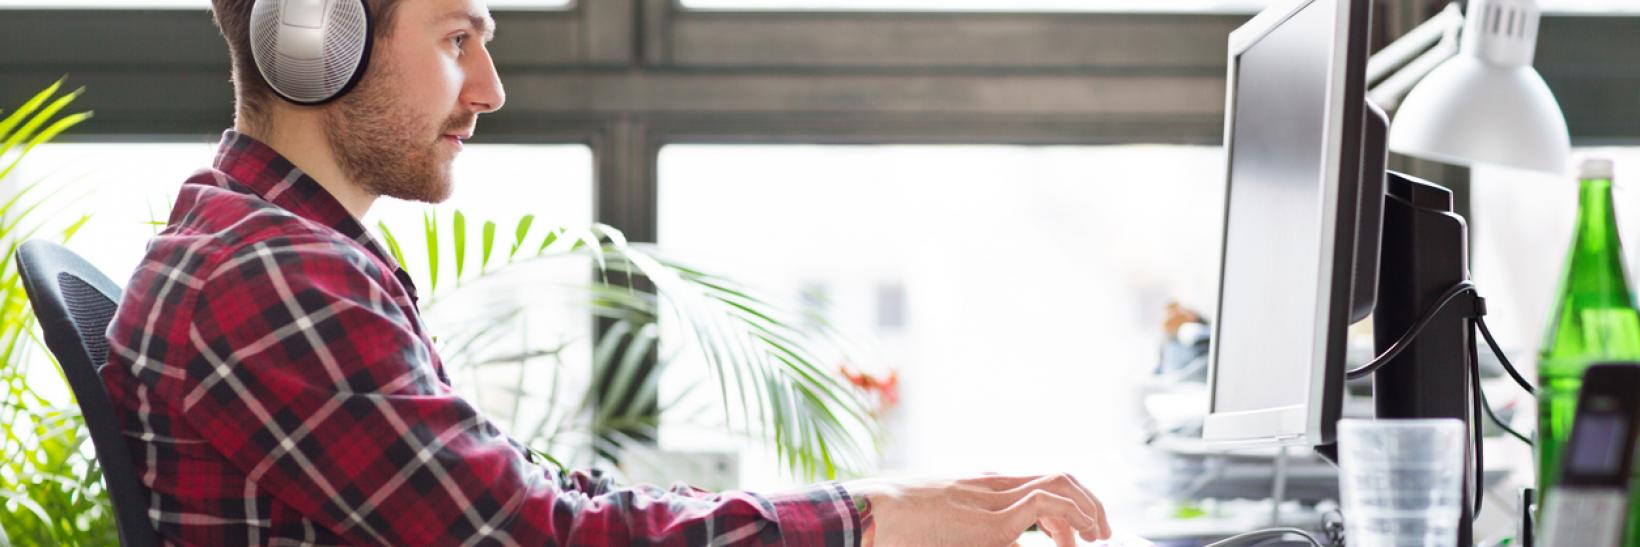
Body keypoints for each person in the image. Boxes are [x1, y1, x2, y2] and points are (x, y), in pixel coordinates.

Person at [101, 0, 1112, 544]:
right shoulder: (269, 279)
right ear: (314, 39)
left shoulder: (279, 249)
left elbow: (516, 496)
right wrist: (862, 526)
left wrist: (876, 500)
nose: (489, 89)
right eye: (457, 39)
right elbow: (531, 536)